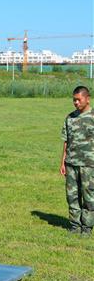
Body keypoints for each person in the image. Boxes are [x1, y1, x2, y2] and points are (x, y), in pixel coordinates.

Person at [59, 85, 93, 236]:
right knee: (72, 196)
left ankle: (87, 227)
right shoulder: (70, 118)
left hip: (89, 165)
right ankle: (74, 225)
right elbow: (66, 141)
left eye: (79, 100)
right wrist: (63, 162)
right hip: (71, 163)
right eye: (74, 100)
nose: (76, 103)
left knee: (88, 197)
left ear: (87, 99)